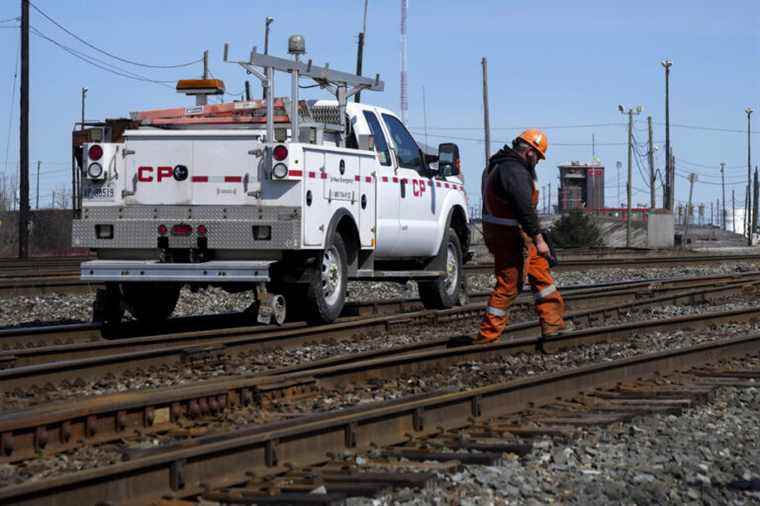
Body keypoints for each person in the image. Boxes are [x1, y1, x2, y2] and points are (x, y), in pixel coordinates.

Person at [476, 129, 567, 344]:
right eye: (538, 157)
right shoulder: (514, 171)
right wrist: (538, 239)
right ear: (530, 153)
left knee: (540, 273)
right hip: (510, 235)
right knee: (510, 282)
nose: (537, 162)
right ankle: (487, 338)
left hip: (512, 232)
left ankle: (553, 324)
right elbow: (524, 209)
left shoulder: (499, 164)